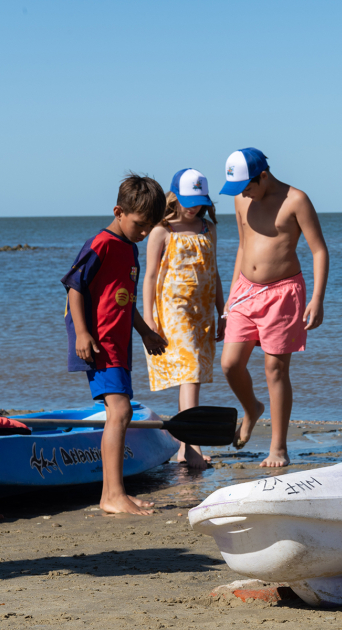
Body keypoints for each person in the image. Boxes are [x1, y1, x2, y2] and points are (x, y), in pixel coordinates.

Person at [62, 174, 168, 515]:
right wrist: (81, 333)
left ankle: (113, 492)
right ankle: (112, 496)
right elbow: (75, 287)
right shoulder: (102, 244)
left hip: (118, 344)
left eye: (150, 227)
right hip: (98, 343)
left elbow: (125, 300)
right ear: (118, 211)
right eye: (139, 224)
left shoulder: (131, 249)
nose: (144, 232)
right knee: (121, 411)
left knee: (116, 413)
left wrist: (144, 332)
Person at [219, 148, 329, 467]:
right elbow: (243, 245)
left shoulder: (296, 200)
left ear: (263, 176)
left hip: (283, 293)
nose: (243, 193)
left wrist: (317, 298)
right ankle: (252, 408)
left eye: (247, 186)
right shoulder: (241, 198)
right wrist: (231, 294)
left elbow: (319, 250)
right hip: (243, 291)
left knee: (275, 369)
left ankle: (278, 447)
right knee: (229, 363)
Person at [143, 169, 226, 469]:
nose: (193, 207)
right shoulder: (162, 230)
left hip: (202, 313)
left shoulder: (208, 228)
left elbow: (214, 272)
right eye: (188, 200)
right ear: (175, 195)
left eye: (199, 201)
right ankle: (192, 446)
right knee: (189, 375)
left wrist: (223, 311)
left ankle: (183, 447)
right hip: (173, 312)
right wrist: (148, 317)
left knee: (192, 380)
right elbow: (150, 276)